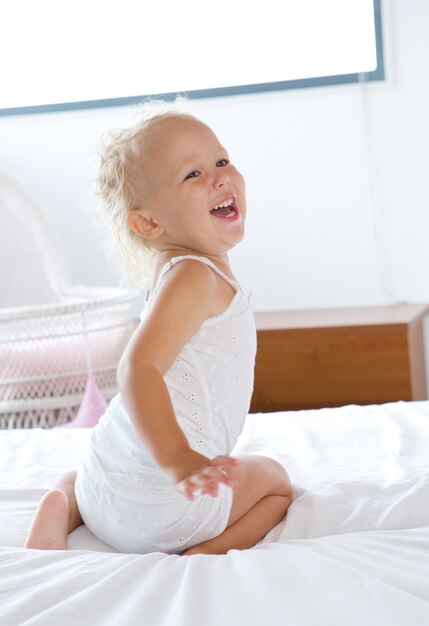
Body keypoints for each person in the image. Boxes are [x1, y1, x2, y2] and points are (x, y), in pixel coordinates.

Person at [25, 106, 292, 556]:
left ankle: (60, 509)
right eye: (193, 174)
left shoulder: (171, 271)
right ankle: (208, 550)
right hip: (172, 509)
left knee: (77, 478)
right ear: (148, 222)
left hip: (102, 485)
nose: (220, 178)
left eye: (222, 161)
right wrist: (177, 459)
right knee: (277, 483)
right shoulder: (195, 277)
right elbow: (137, 367)